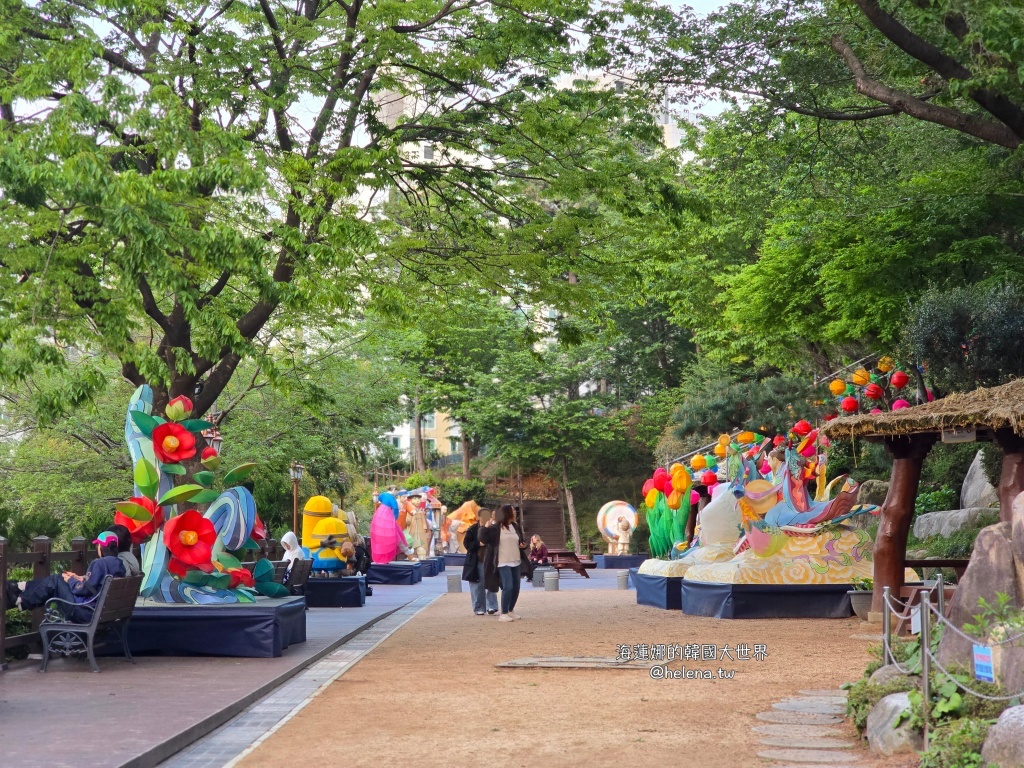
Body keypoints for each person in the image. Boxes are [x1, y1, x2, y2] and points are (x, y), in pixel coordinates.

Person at [5, 531, 126, 623]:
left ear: (101, 547)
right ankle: (21, 593)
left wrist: (71, 580)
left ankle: (20, 593)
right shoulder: (119, 564)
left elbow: (82, 590)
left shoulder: (99, 563)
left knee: (57, 579)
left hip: (86, 612)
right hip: (102, 612)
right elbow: (95, 585)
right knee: (57, 580)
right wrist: (79, 578)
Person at [479, 504, 527, 622]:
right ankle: (503, 613)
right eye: (513, 511)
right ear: (507, 513)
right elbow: (483, 539)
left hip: (516, 560)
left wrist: (523, 545)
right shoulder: (496, 527)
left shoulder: (515, 526)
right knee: (508, 586)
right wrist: (485, 527)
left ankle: (511, 610)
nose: (515, 512)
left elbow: (520, 540)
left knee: (516, 587)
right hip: (502, 561)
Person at [462, 516, 498, 616]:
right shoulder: (472, 529)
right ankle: (479, 607)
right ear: (479, 517)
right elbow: (467, 544)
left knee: (491, 583)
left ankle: (492, 606)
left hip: (490, 560)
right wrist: (479, 544)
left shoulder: (493, 529)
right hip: (477, 560)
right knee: (477, 585)